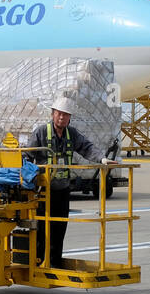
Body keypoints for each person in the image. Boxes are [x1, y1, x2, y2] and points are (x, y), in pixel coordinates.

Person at [25, 95, 117, 268]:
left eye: (66, 115)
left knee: (60, 228)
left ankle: (54, 262)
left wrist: (102, 159)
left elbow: (87, 148)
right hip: (44, 191)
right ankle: (37, 262)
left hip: (63, 191)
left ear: (69, 118)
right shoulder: (41, 132)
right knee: (42, 227)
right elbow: (27, 155)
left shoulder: (71, 134)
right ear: (53, 114)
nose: (62, 118)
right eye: (59, 114)